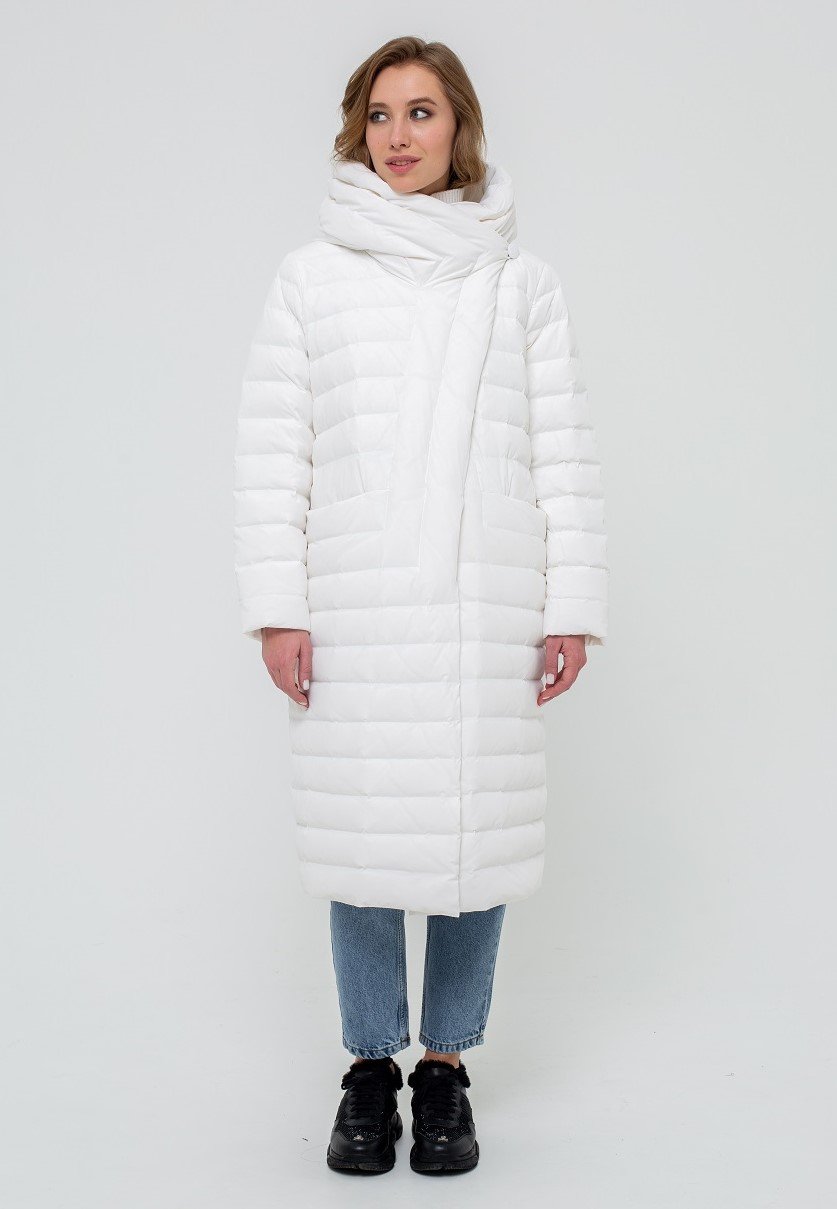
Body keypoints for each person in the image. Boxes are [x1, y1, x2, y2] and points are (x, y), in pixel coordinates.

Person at [233, 36, 609, 1176]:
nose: (399, 135)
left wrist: (569, 604)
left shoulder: (520, 282)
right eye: (381, 114)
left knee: (472, 839)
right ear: (358, 130)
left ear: (460, 128)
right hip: (355, 602)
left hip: (489, 601)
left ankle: (444, 1069)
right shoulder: (312, 276)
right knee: (361, 839)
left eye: (423, 112)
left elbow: (562, 450)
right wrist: (278, 607)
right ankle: (368, 1068)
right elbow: (274, 450)